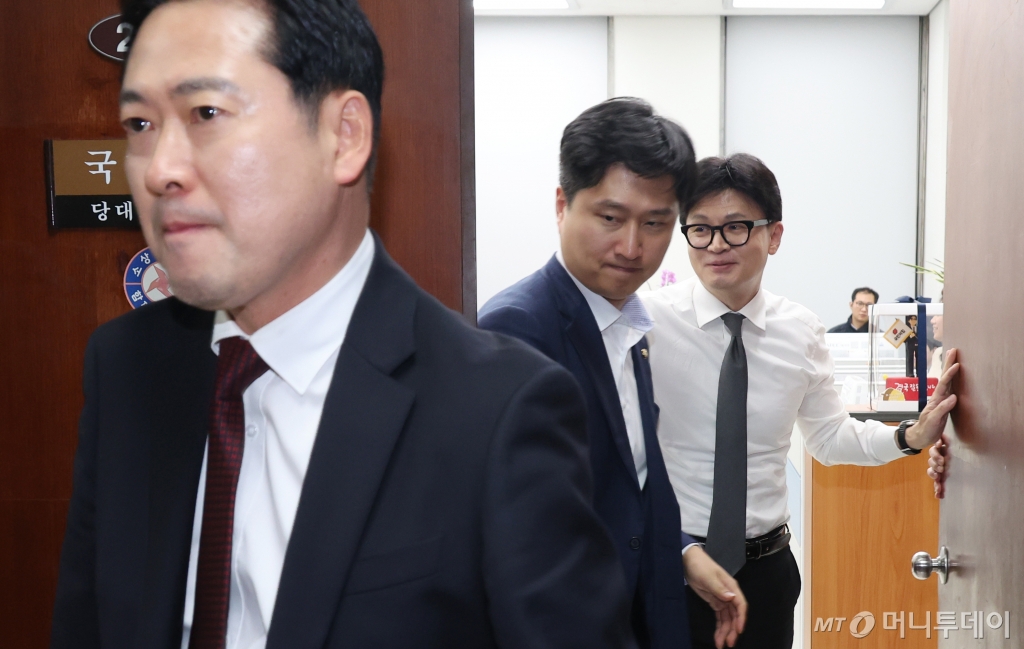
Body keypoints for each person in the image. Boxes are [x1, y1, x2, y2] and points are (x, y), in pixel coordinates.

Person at [49, 1, 638, 647]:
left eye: (206, 114)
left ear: (344, 135)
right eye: (139, 123)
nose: (160, 168)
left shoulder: (497, 410)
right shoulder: (126, 366)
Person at [641, 154, 960, 649]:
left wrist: (910, 436)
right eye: (699, 229)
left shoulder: (800, 330)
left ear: (774, 235)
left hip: (767, 576)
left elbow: (829, 437)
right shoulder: (647, 324)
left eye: (736, 227)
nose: (716, 244)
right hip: (673, 570)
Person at [479, 98, 747, 649]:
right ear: (562, 205)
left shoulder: (628, 324)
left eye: (655, 223)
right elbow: (518, 535)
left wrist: (682, 551)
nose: (632, 247)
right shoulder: (518, 328)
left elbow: (628, 482)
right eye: (610, 218)